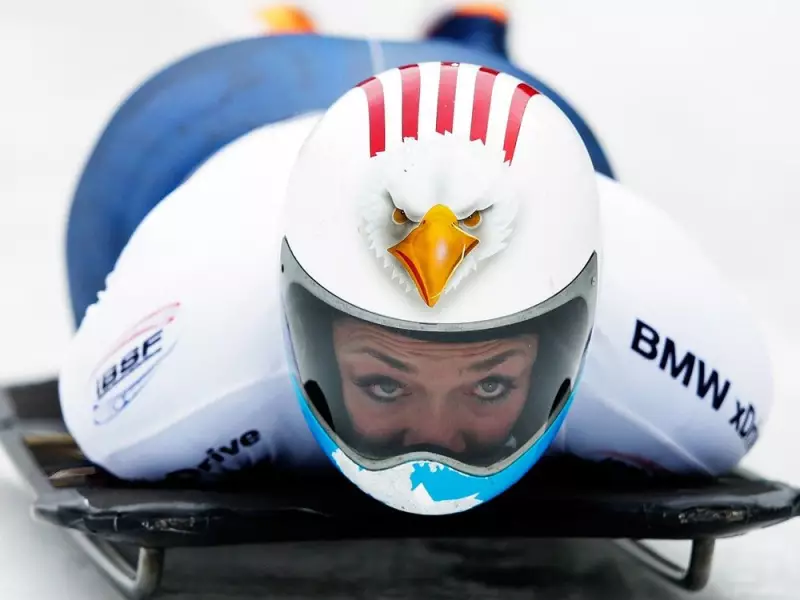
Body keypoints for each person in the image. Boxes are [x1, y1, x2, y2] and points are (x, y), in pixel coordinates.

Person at [59, 43, 773, 516]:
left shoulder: (688, 362)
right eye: (384, 383)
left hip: (234, 97)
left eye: (490, 385)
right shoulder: (162, 384)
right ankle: (466, 36)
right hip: (196, 129)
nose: (433, 444)